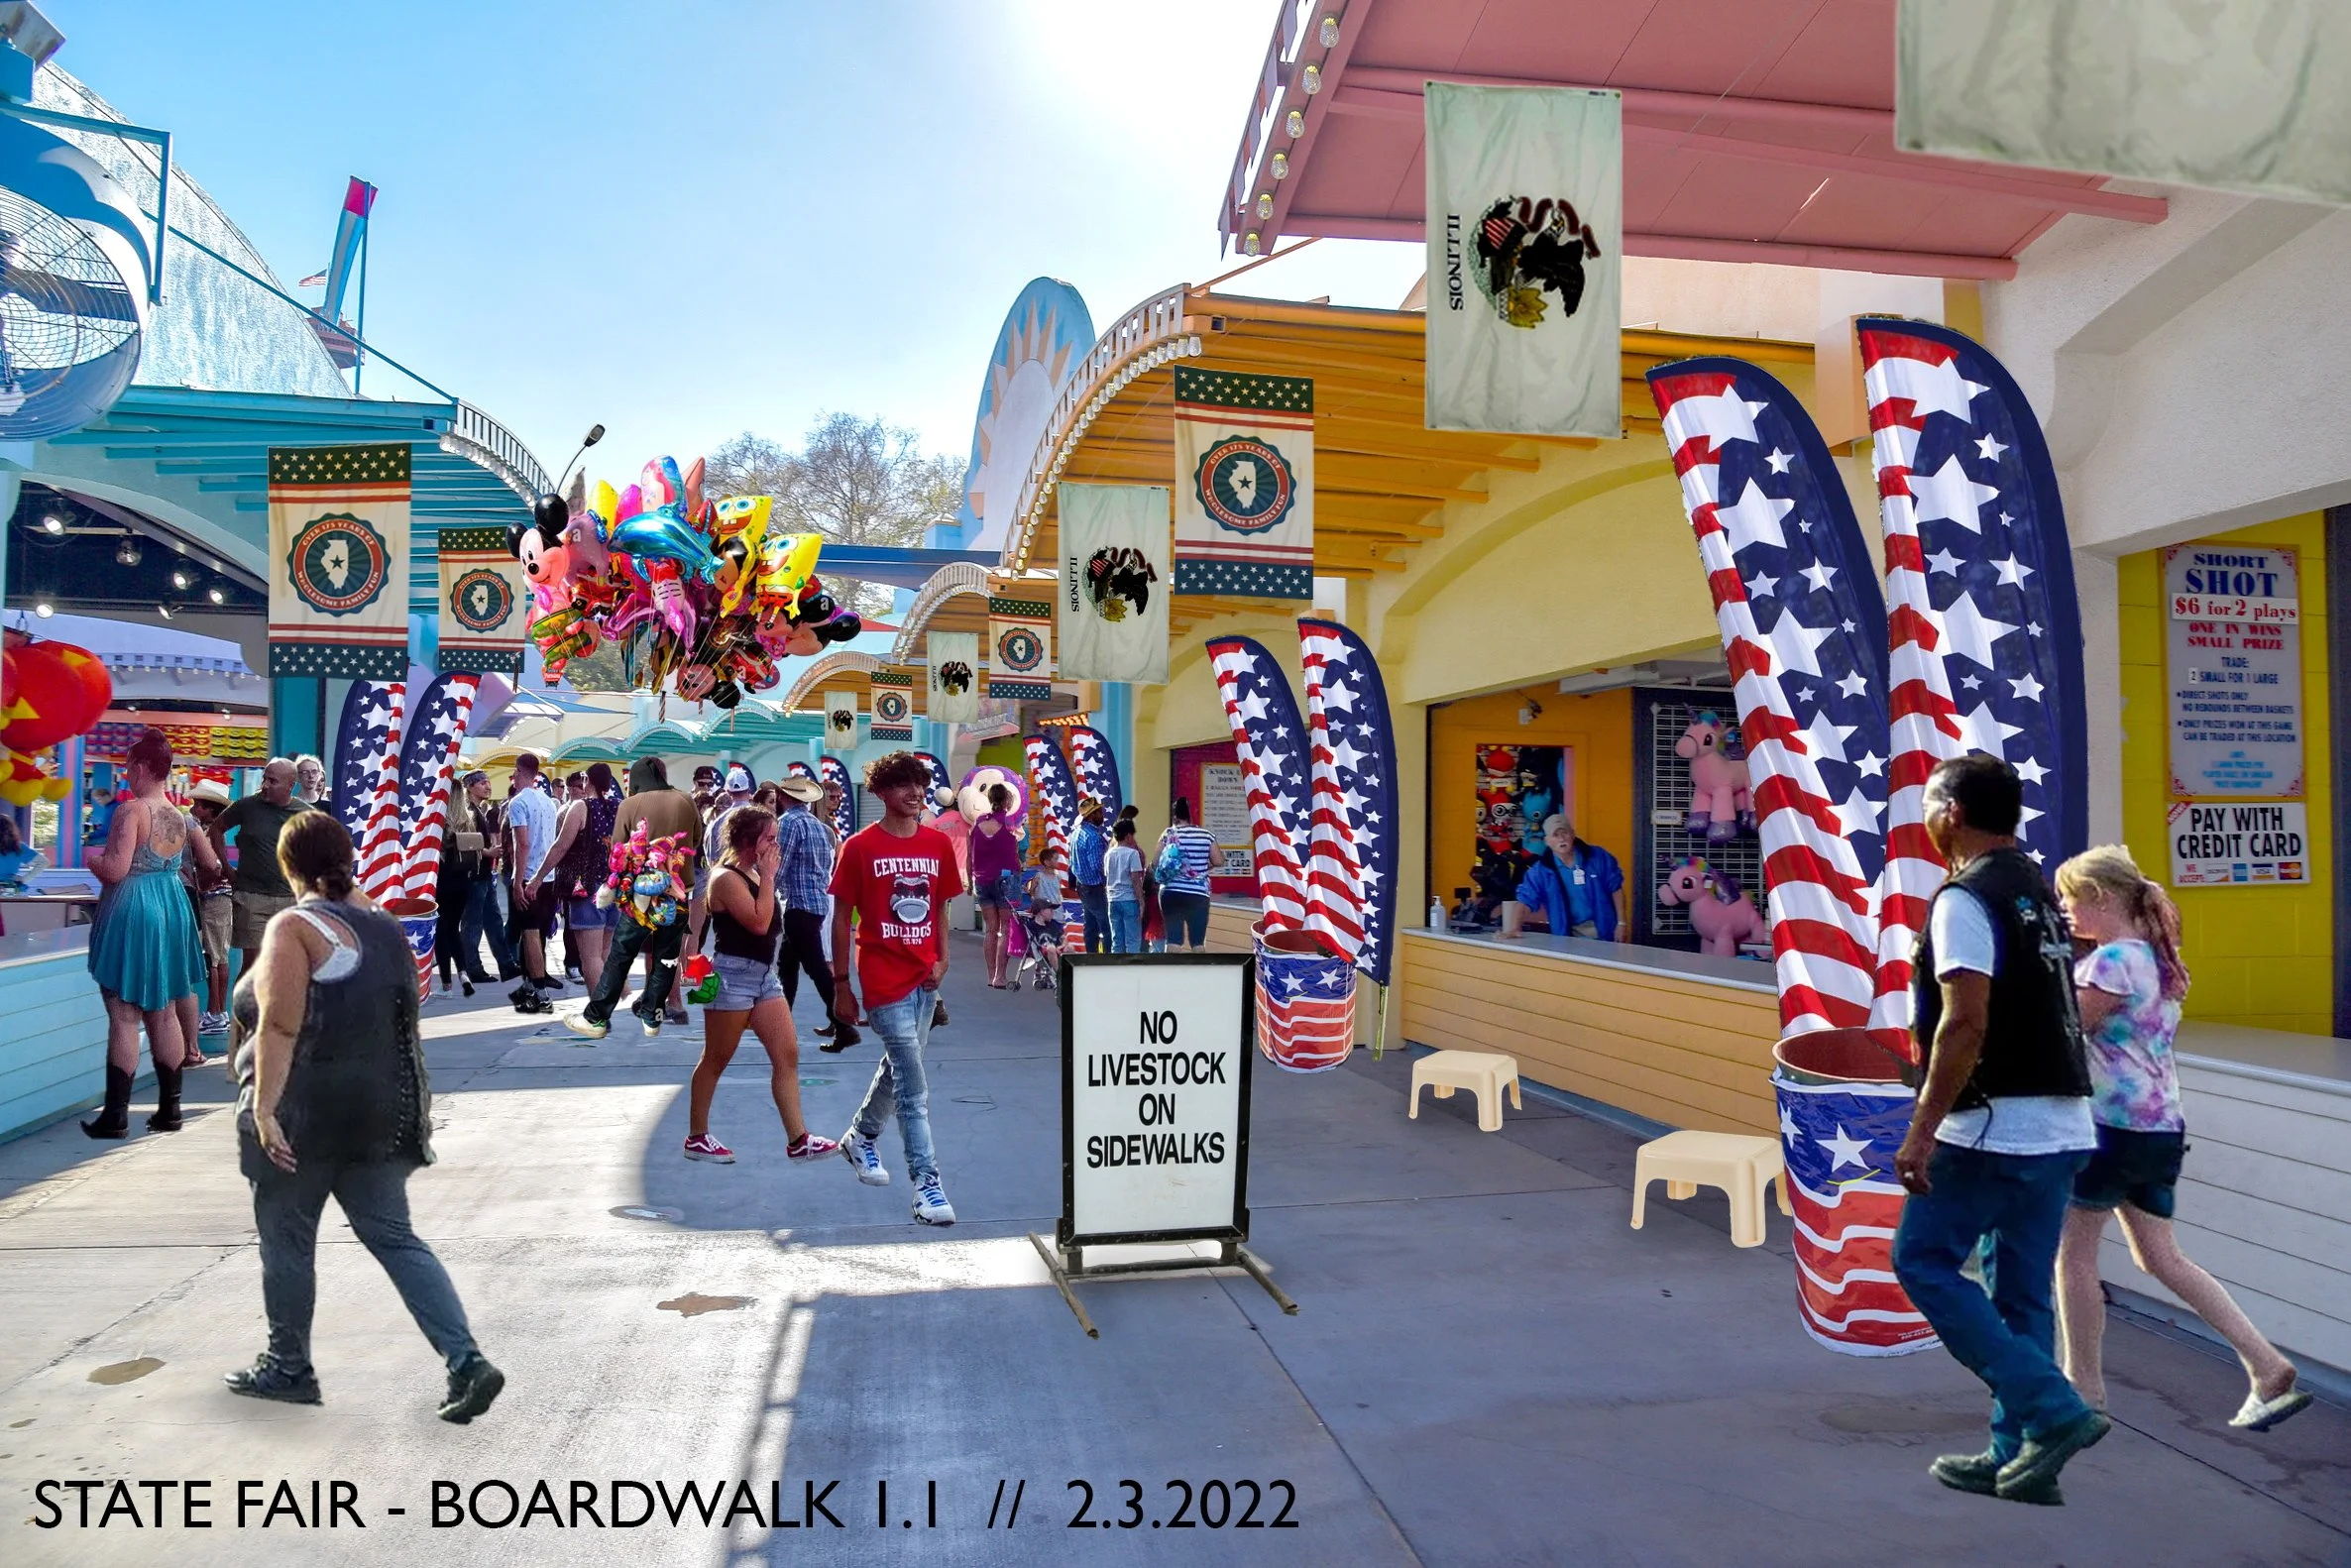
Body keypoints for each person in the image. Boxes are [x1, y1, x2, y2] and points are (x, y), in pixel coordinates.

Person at [224, 810, 503, 1422]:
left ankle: (288, 1367)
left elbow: (279, 1024)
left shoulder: (293, 928)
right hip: (376, 1115)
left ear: (288, 864)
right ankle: (466, 1361)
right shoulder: (384, 929)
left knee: (289, 1241)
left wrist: (266, 1110)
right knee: (396, 1239)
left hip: (304, 1113)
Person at [1891, 754, 2105, 1506]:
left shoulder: (1966, 897)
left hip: (1990, 1124)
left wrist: (1921, 1132)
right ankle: (2018, 1457)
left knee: (1922, 1261)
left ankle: (2053, 1411)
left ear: (1950, 812)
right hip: (2064, 1123)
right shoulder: (2038, 891)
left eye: (1924, 803)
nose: (1920, 816)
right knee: (2021, 1293)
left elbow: (1966, 1020)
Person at [2052, 845, 2310, 1433]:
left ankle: (2082, 1390)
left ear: (2100, 898)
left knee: (2075, 1255)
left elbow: (2067, 1033)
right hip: (2160, 1127)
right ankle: (2266, 1364)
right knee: (2160, 1257)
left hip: (2108, 1129)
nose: (2064, 910)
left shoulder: (2108, 964)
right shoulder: (2156, 961)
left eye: (2070, 898)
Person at [831, 750, 962, 1225]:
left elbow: (942, 907)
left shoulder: (937, 844)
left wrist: (943, 960)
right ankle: (927, 1184)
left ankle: (861, 1136)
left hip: (925, 979)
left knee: (901, 1067)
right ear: (881, 792)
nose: (915, 793)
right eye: (903, 784)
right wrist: (841, 983)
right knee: (913, 1086)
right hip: (881, 978)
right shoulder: (860, 846)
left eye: (920, 784)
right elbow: (842, 917)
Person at [682, 805, 842, 1166]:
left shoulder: (754, 873)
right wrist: (769, 877)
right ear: (747, 841)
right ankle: (697, 1136)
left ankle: (798, 1138)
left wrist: (766, 875)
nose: (776, 845)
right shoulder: (726, 878)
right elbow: (758, 922)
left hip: (763, 978)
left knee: (787, 1054)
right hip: (732, 978)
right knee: (716, 1059)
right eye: (769, 838)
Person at [83, 728, 219, 1137]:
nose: (126, 774)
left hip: (133, 907)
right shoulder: (183, 816)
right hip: (172, 903)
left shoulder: (131, 811)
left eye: (128, 767)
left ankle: (116, 1115)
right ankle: (170, 1110)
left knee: (124, 1014)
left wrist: (93, 859)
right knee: (164, 1010)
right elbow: (210, 863)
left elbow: (115, 870)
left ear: (141, 767)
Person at [569, 756, 701, 1038]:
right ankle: (671, 1004)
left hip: (643, 887)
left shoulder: (630, 804)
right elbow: (696, 838)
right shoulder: (685, 799)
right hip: (678, 885)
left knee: (623, 953)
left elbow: (618, 849)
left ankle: (598, 1018)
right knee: (668, 948)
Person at [211, 758, 313, 984]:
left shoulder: (305, 814)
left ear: (290, 786)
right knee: (253, 967)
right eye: (264, 778)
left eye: (272, 781)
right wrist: (227, 868)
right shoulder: (247, 806)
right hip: (252, 899)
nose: (265, 785)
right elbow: (216, 829)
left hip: (290, 900)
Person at [773, 774, 852, 1050]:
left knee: (814, 968)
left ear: (784, 797)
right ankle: (783, 1022)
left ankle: (843, 1024)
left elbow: (779, 867)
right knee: (789, 965)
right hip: (815, 903)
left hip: (798, 904)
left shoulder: (788, 824)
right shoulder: (818, 826)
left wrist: (763, 895)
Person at [545, 762, 618, 1006]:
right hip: (615, 886)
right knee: (604, 953)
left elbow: (560, 846)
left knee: (590, 958)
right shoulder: (620, 807)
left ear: (588, 781)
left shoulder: (581, 807)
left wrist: (538, 877)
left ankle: (599, 1011)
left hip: (588, 887)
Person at [1511, 813, 1628, 942]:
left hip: (1604, 932)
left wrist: (1621, 923)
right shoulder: (1540, 871)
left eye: (1564, 833)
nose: (1561, 839)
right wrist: (1514, 928)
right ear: (1547, 841)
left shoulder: (1598, 857)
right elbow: (1525, 900)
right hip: (1567, 937)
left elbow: (1616, 888)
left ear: (1573, 834)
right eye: (1555, 835)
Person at [451, 770, 519, 985]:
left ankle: (506, 965)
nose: (488, 787)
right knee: (473, 925)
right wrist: (487, 852)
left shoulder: (478, 810)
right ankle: (473, 968)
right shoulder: (465, 811)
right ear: (470, 787)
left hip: (483, 875)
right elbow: (461, 843)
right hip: (473, 877)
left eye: (488, 783)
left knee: (494, 921)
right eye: (482, 783)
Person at [503, 752, 563, 991]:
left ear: (518, 772)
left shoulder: (518, 802)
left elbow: (522, 844)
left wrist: (518, 881)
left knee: (529, 932)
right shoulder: (548, 801)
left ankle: (537, 986)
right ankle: (535, 977)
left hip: (529, 874)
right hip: (548, 875)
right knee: (539, 931)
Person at [182, 780, 233, 1035]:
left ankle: (214, 1013)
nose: (194, 808)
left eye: (199, 805)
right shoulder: (214, 831)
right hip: (221, 897)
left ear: (211, 809)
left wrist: (194, 879)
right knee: (220, 955)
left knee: (213, 957)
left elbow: (212, 866)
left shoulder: (207, 834)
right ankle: (219, 1012)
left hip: (213, 897)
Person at [970, 782, 1023, 987]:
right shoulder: (1011, 825)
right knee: (1006, 928)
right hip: (1006, 879)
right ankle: (1000, 975)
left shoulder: (978, 823)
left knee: (991, 929)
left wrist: (969, 877)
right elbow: (1016, 850)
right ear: (1007, 801)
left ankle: (990, 974)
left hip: (982, 879)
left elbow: (970, 853)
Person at [1154, 799, 1218, 951]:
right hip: (1198, 894)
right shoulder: (1206, 835)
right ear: (1190, 816)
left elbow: (1156, 861)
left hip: (1171, 892)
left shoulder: (1168, 833)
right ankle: (1199, 974)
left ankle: (1171, 973)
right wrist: (1204, 867)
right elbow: (1219, 860)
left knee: (1173, 941)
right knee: (1198, 943)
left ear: (1174, 817)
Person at [1014, 857, 1067, 990]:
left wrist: (1065, 944)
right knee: (1050, 948)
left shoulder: (1053, 925)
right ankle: (1058, 976)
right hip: (1043, 950)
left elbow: (1062, 937)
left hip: (1056, 948)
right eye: (1050, 910)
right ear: (1041, 912)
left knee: (1069, 947)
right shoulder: (1032, 926)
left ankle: (1068, 975)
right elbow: (1034, 944)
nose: (1052, 912)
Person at [1070, 797, 1109, 955]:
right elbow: (1098, 865)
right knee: (1106, 926)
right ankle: (1108, 960)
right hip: (1095, 887)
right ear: (1091, 816)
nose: (1103, 815)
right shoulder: (1093, 837)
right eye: (1099, 812)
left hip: (1082, 885)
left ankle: (1090, 957)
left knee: (1090, 925)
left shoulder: (1076, 833)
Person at [1104, 819, 1145, 954]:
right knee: (1133, 940)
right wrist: (1141, 902)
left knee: (1117, 941)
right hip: (1129, 899)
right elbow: (1135, 879)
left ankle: (1116, 971)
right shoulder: (1132, 854)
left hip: (1112, 900)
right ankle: (1132, 972)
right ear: (1128, 836)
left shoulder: (1108, 854)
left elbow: (1107, 876)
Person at [0, 811, 48, 885]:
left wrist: (24, 879)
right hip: (11, 888)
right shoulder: (18, 846)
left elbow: (44, 862)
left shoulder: (19, 846)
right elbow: (44, 862)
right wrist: (24, 879)